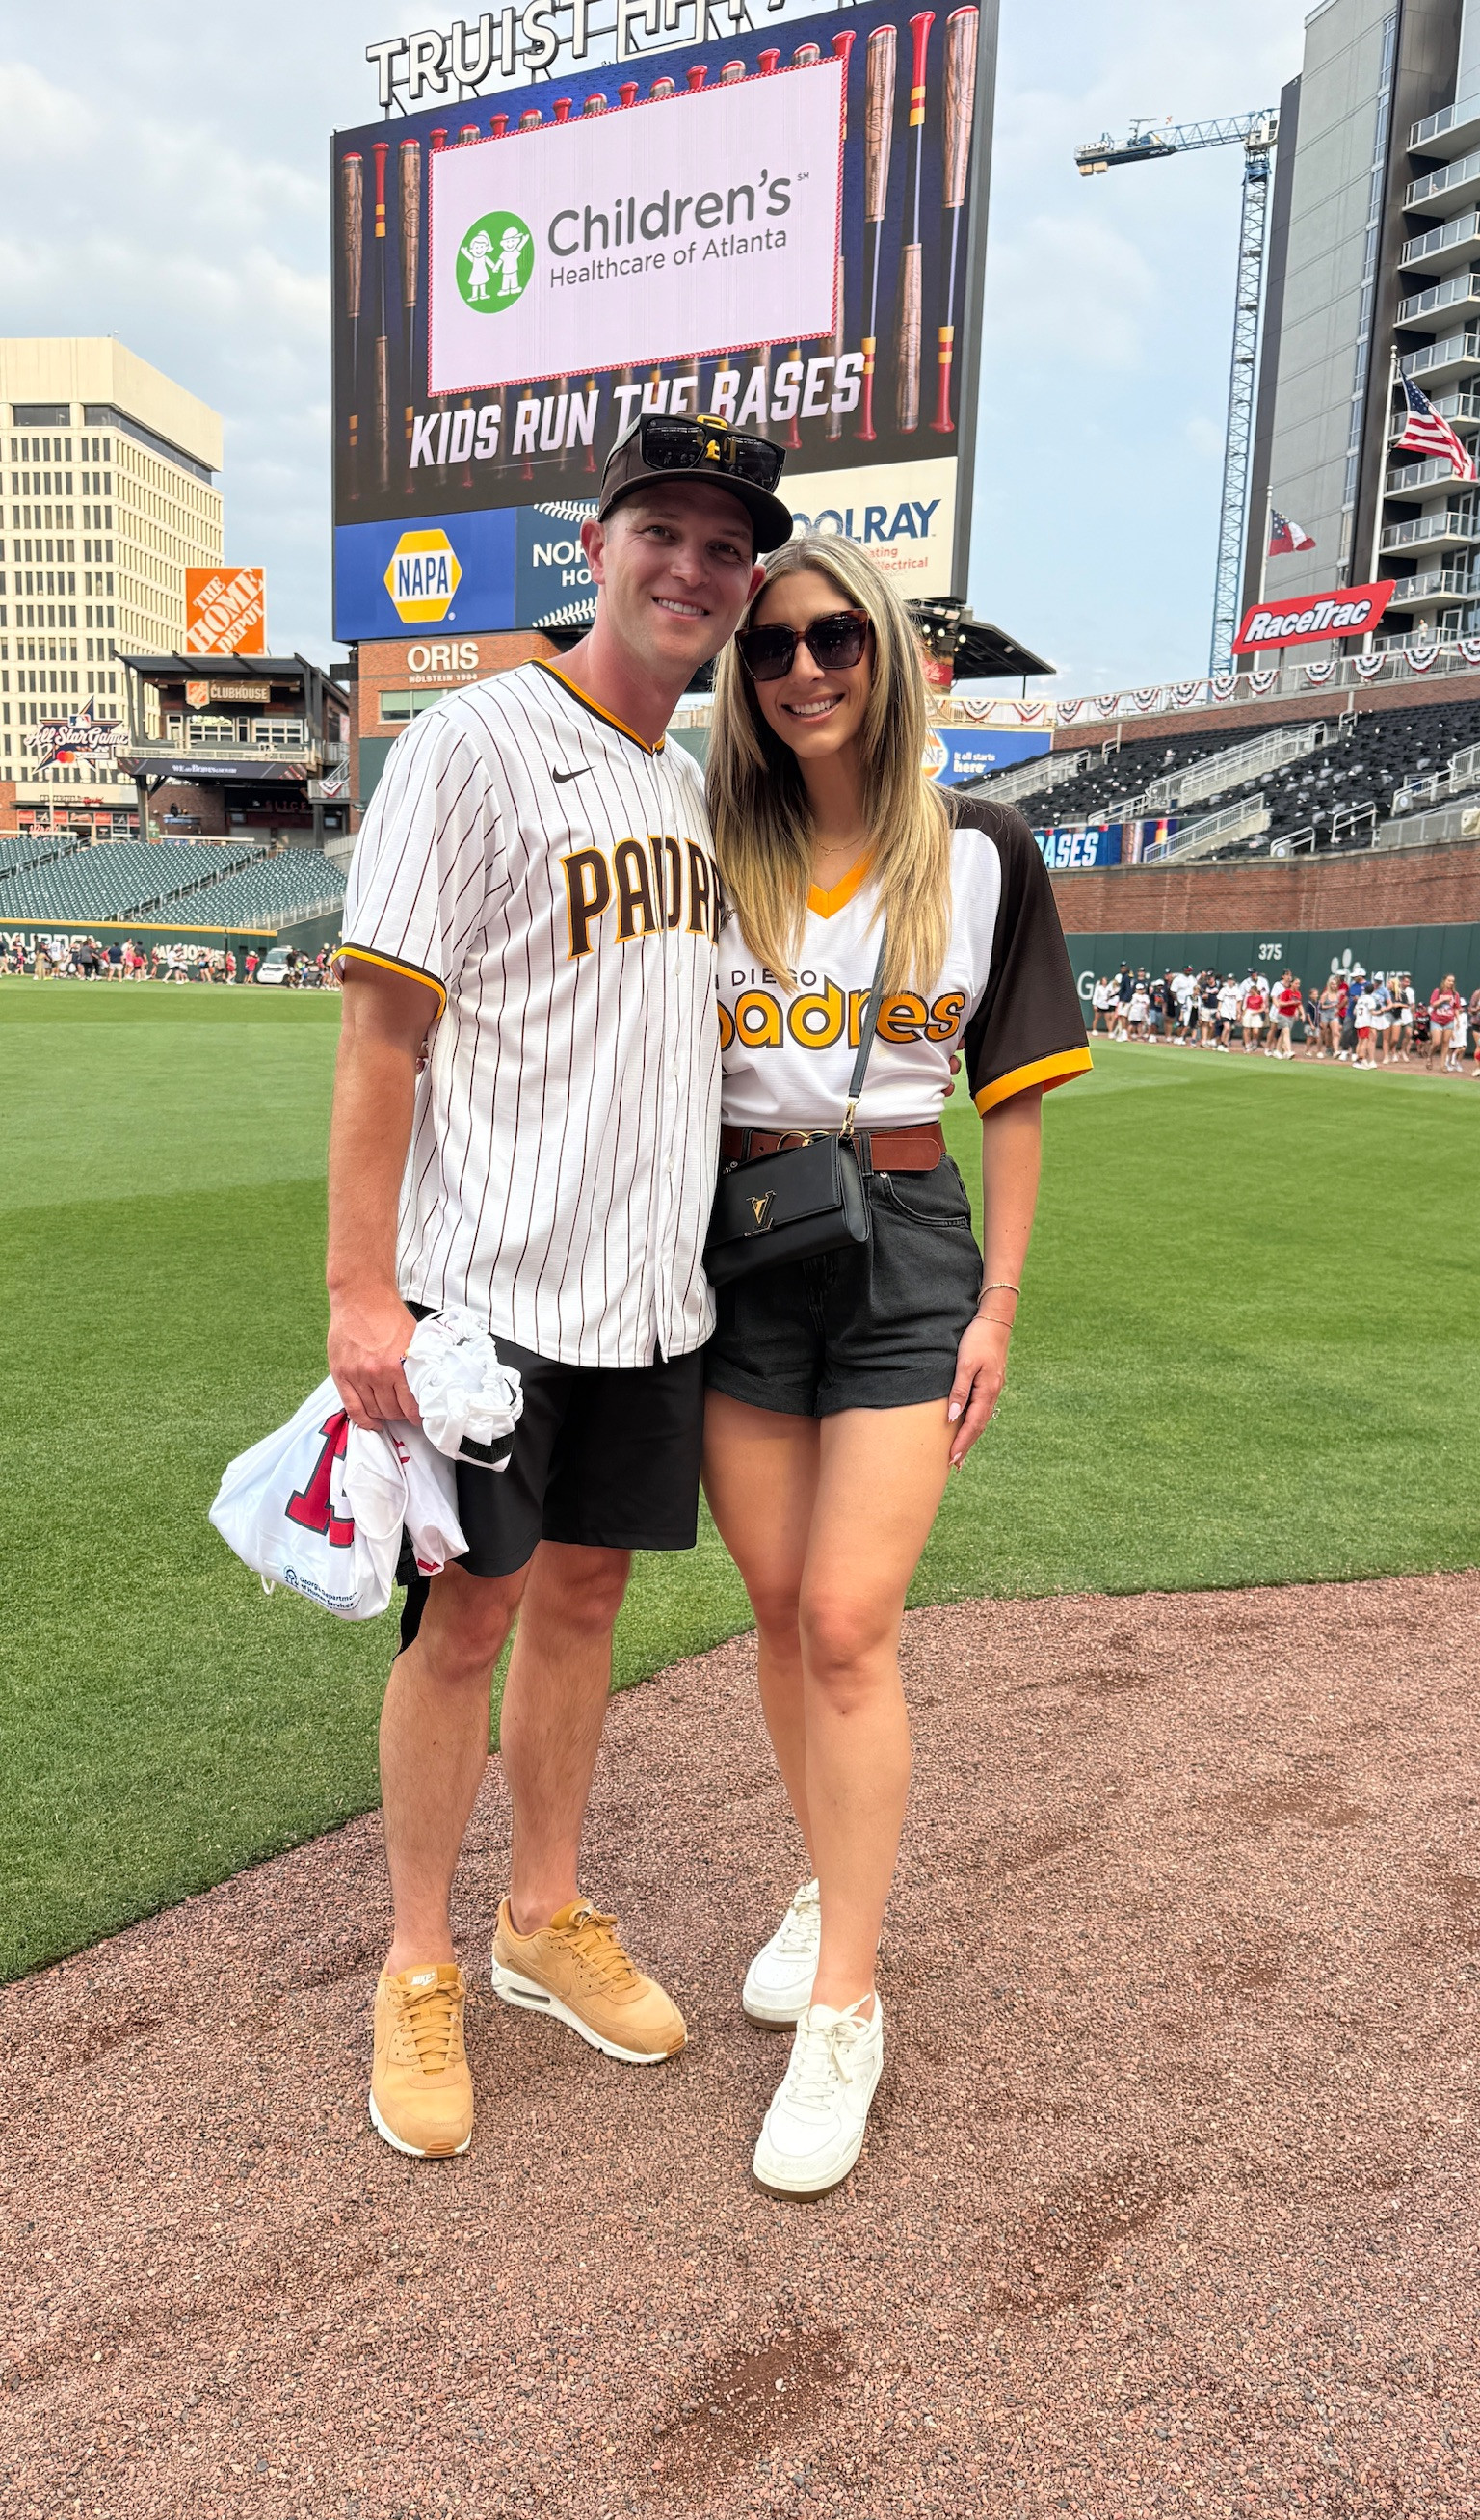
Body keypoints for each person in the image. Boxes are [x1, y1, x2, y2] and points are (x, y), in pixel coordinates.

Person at [326, 412, 790, 2162]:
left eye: (724, 545)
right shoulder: (471, 743)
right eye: (662, 528)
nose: (692, 566)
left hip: (652, 1298)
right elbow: (383, 1034)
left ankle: (542, 1921)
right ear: (595, 545)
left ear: (746, 585)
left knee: (587, 1601)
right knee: (467, 1621)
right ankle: (421, 1960)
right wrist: (361, 1293)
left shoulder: (688, 789)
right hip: (493, 1296)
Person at [702, 535, 1090, 2198]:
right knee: (780, 1609)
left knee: (852, 1620)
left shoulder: (983, 847)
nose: (804, 669)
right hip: (734, 1247)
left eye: (834, 640)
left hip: (912, 1246)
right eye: (775, 645)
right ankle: (823, 1875)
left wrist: (998, 1306)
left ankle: (844, 2007)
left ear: (888, 656)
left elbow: (1014, 1095)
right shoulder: (711, 844)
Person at [1428, 973, 1460, 1070]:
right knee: (1436, 1042)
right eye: (1449, 980)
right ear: (1444, 981)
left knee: (1446, 1043)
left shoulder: (1455, 994)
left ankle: (1443, 1065)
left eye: (1452, 981)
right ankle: (1429, 1057)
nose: (1451, 983)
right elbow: (1433, 1005)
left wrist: (1457, 1019)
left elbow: (1456, 1008)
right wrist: (1443, 1000)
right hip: (1436, 1020)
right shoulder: (1437, 991)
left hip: (1449, 1020)